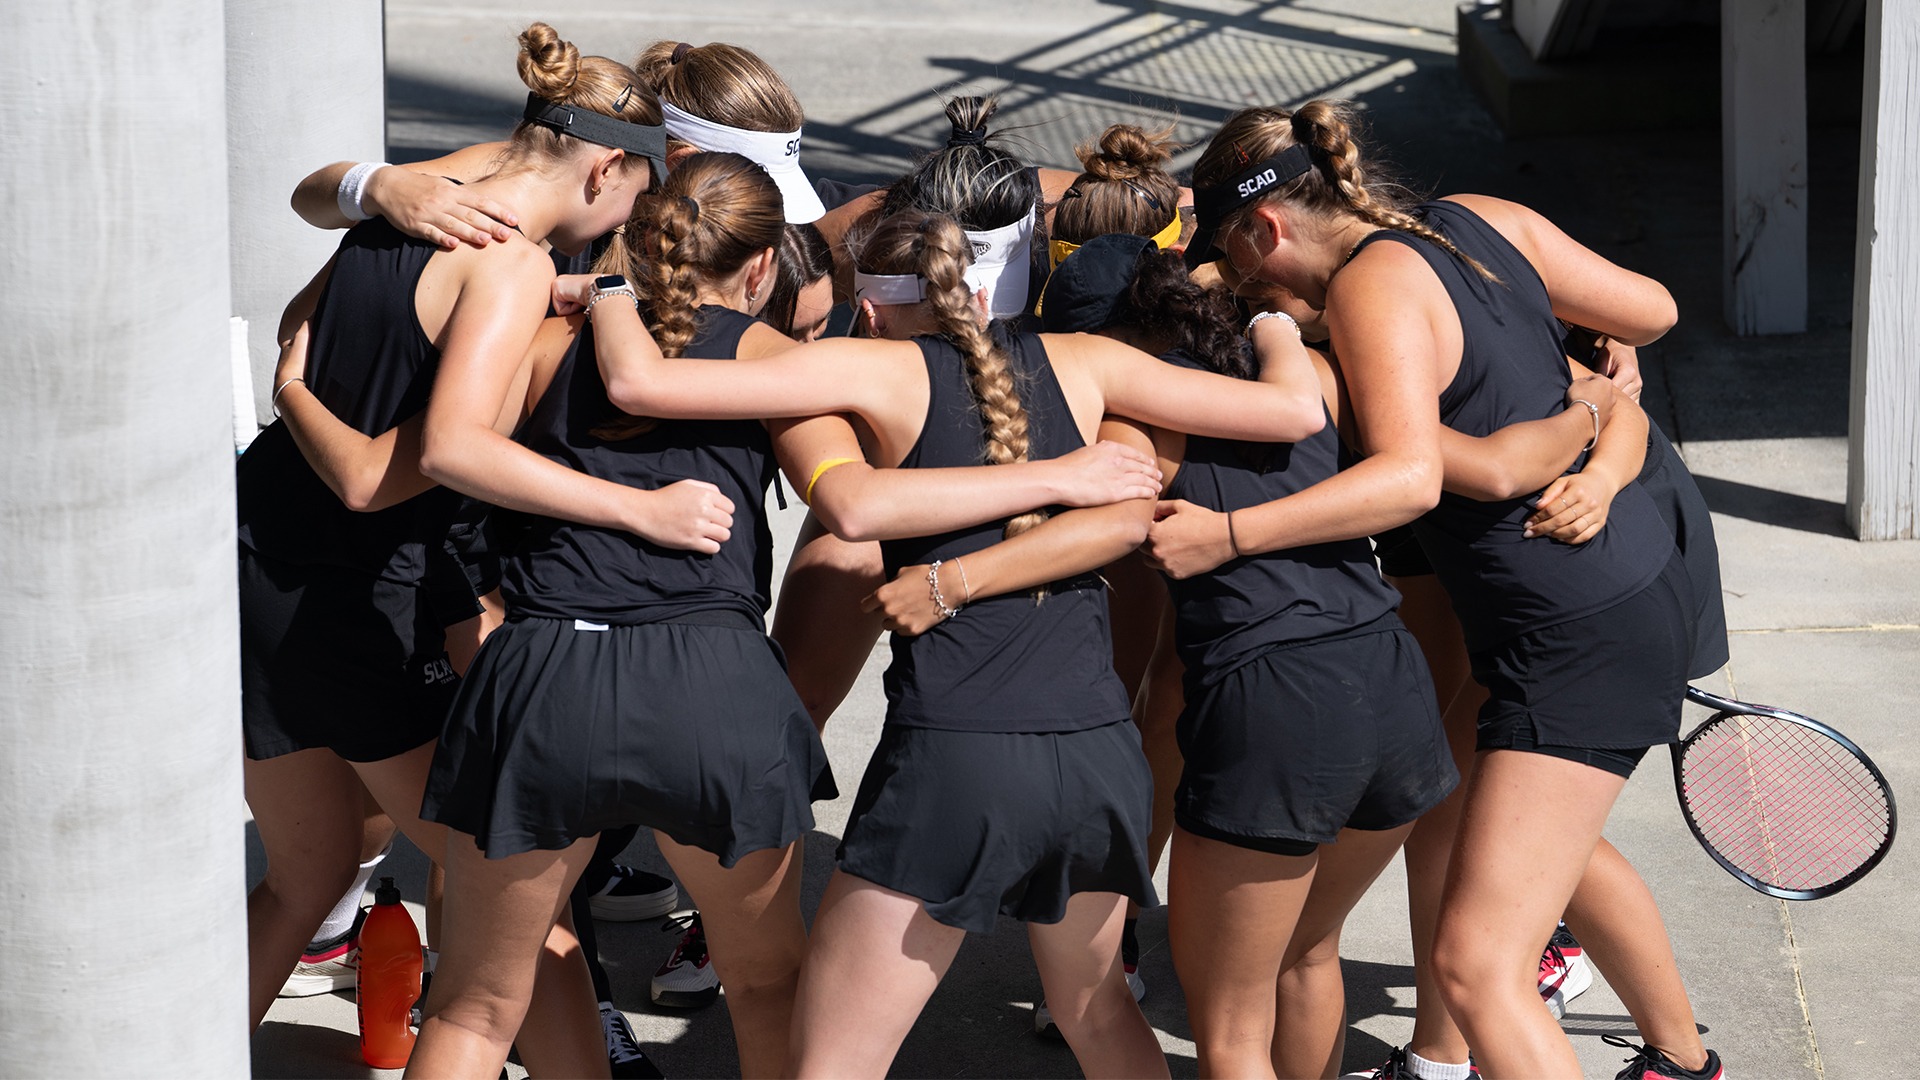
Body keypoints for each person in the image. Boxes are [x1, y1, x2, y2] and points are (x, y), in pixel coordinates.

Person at [569, 205, 1327, 1077]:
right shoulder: (1092, 361)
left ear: (873, 307)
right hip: (1096, 752)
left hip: (955, 758)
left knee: (833, 1065)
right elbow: (1294, 411)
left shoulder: (869, 368)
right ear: (980, 290)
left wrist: (613, 287)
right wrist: (1269, 315)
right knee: (1099, 1014)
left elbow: (637, 385)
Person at [1165, 100, 1721, 1080]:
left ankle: (1660, 1063)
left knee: (1476, 972)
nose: (1255, 295)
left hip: (1573, 629)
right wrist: (1584, 395)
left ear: (1266, 226)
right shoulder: (1476, 216)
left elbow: (1413, 477)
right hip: (1630, 572)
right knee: (1510, 849)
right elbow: (1656, 311)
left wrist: (1228, 535)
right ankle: (1678, 1067)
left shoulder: (1368, 296)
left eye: (1244, 267)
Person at [237, 24, 669, 1067]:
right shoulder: (509, 263)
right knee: (517, 902)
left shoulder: (430, 190)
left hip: (254, 561)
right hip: (358, 603)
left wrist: (294, 382)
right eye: (634, 202)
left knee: (308, 875)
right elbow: (380, 475)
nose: (627, 228)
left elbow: (307, 309)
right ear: (604, 166)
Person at [1042, 233, 1458, 1077]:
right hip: (1393, 686)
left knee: (1231, 1026)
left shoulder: (1141, 413)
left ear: (1111, 344)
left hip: (1277, 707)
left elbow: (1113, 525)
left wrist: (962, 571)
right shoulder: (1311, 374)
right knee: (1307, 955)